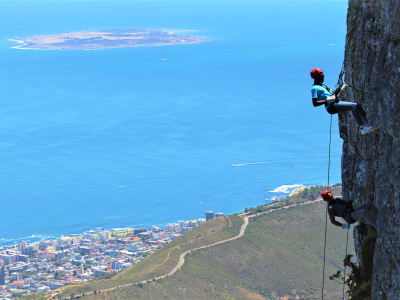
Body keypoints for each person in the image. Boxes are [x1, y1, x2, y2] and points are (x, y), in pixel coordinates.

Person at [310, 68, 375, 134]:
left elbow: (333, 94)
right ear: (316, 77)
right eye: (321, 76)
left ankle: (367, 124)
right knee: (354, 106)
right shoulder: (314, 89)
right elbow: (315, 103)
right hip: (331, 106)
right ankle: (362, 128)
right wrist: (326, 100)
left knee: (357, 106)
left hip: (335, 103)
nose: (323, 77)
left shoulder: (323, 85)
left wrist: (340, 88)